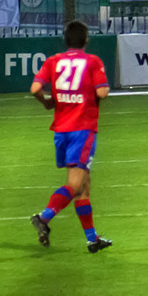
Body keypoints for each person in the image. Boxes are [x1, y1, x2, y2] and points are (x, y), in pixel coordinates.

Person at [28, 21, 114, 253]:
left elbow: (35, 88)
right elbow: (102, 92)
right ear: (86, 39)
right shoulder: (92, 61)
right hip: (82, 130)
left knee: (83, 187)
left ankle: (92, 239)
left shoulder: (53, 61)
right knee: (75, 185)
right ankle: (44, 217)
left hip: (61, 131)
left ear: (65, 40)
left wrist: (47, 102)